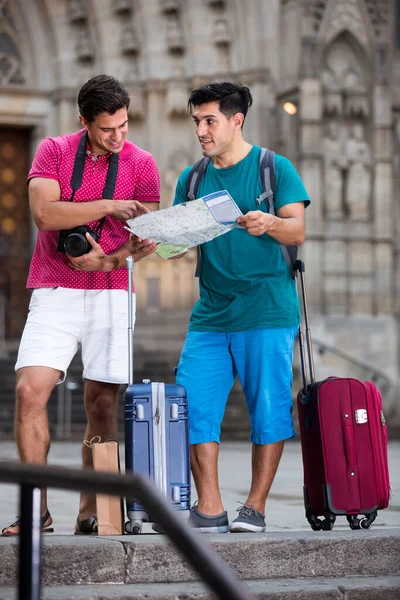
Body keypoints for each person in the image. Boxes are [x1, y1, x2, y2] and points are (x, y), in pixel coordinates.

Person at [1, 74, 159, 536]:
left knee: (102, 404)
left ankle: (94, 509)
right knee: (29, 392)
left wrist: (107, 258)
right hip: (53, 288)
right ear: (83, 121)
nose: (118, 137)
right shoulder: (52, 149)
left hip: (112, 291)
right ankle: (36, 510)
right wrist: (109, 205)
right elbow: (45, 214)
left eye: (124, 126)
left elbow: (145, 240)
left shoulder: (142, 162)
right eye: (108, 129)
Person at [172, 82, 310, 533]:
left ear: (236, 121)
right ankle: (209, 507)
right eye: (196, 121)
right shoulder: (191, 179)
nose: (201, 130)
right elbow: (176, 243)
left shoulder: (274, 168)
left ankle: (255, 506)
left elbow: (297, 231)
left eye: (209, 120)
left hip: (267, 310)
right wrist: (153, 240)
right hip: (211, 313)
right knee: (190, 405)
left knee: (268, 409)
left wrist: (270, 221)